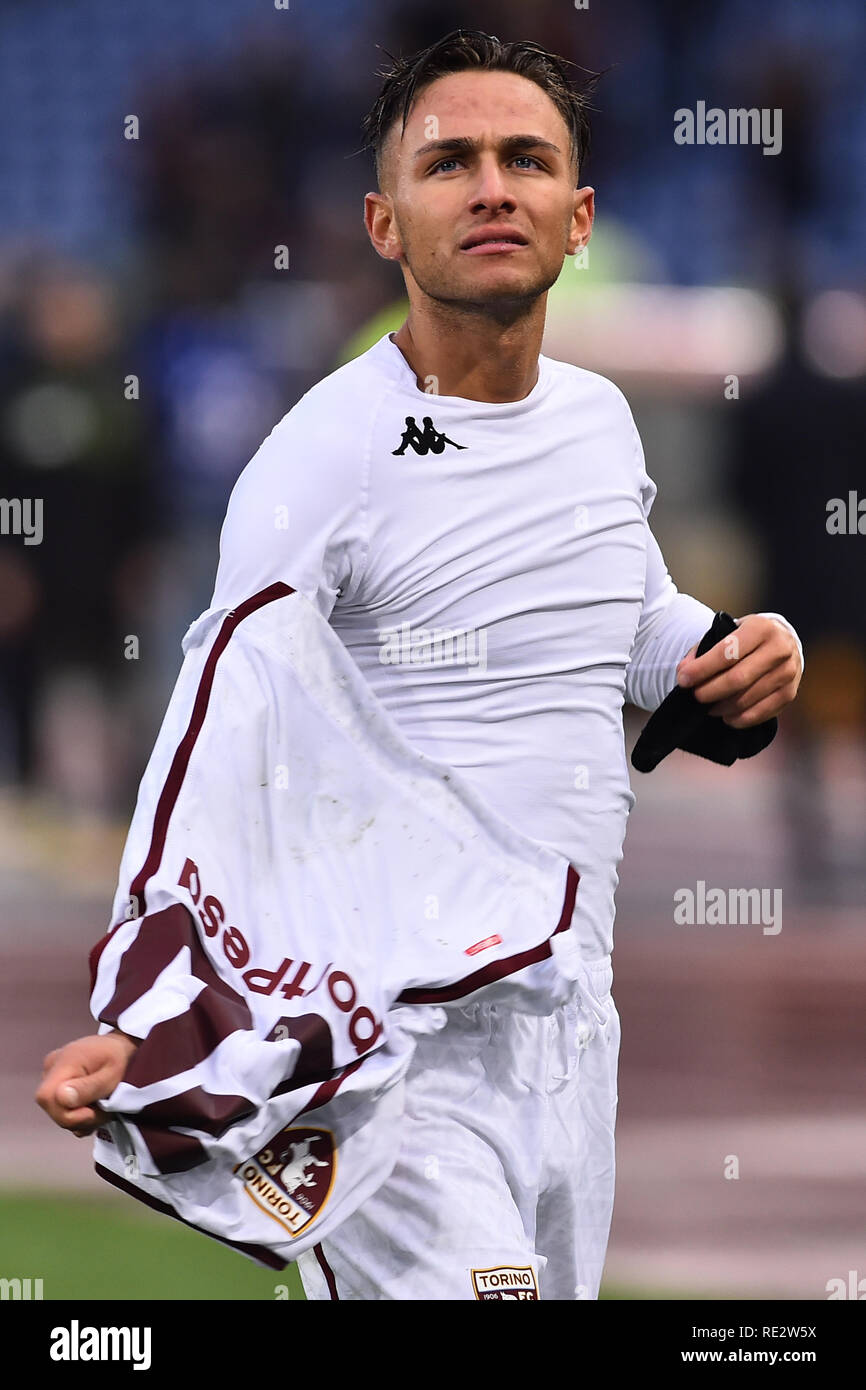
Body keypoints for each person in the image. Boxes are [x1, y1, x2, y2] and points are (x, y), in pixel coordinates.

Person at [36, 28, 803, 1301]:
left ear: (578, 217)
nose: (492, 186)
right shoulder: (323, 457)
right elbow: (219, 726)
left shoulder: (597, 423)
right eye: (451, 163)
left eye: (525, 160)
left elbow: (631, 627)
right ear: (385, 225)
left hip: (570, 1021)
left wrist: (729, 658)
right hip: (392, 1037)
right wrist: (152, 1009)